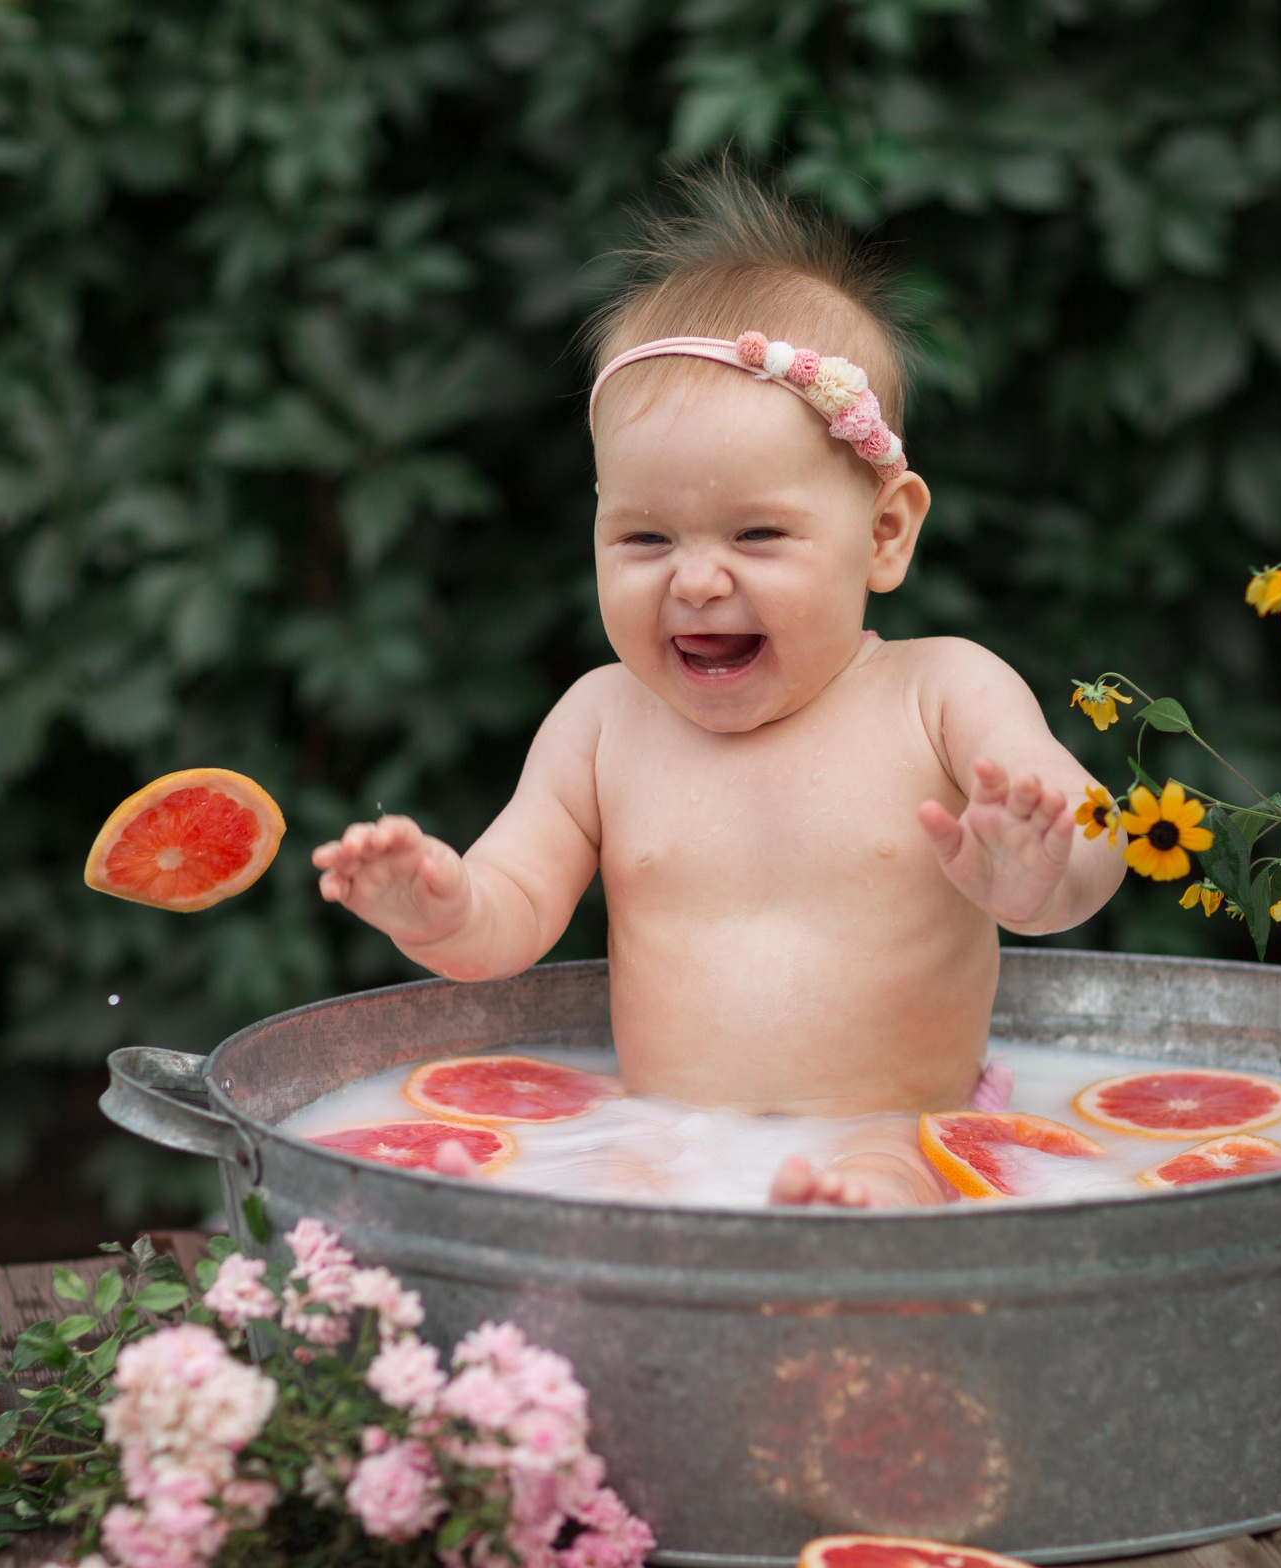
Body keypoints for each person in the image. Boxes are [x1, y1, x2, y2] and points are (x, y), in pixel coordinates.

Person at [312, 172, 1126, 1205]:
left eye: (757, 534)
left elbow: (1094, 837)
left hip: (898, 1125)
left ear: (883, 534)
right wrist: (434, 906)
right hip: (665, 1138)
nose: (696, 580)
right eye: (645, 537)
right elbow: (508, 918)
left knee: (895, 1184)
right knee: (588, 1207)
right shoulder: (601, 723)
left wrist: (1039, 879)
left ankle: (852, 1231)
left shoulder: (941, 693)